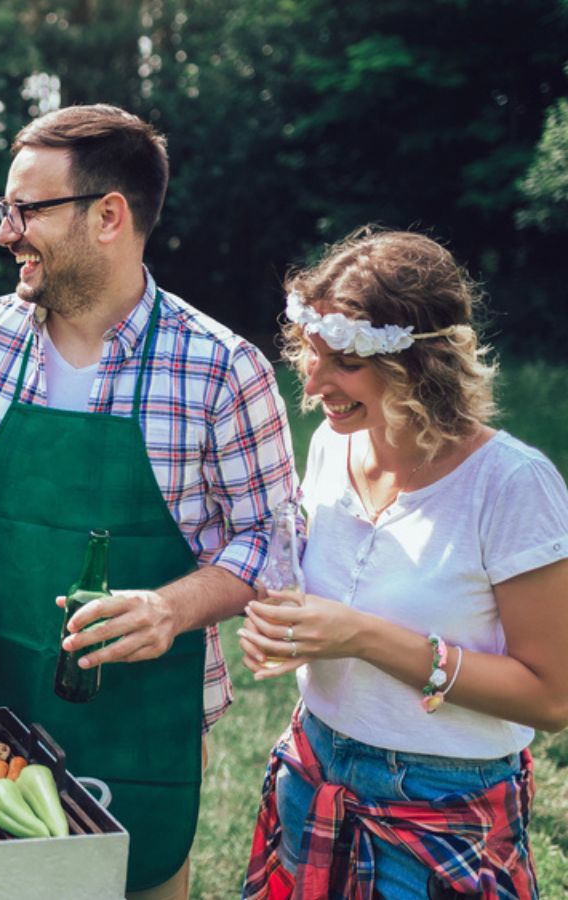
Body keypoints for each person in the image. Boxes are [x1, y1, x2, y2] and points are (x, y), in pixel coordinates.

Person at [0, 104, 295, 898]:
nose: (5, 232)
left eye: (26, 211)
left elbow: (273, 540)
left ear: (109, 215)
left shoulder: (222, 369)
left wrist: (170, 608)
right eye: (4, 209)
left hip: (145, 717)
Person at [239, 229, 568, 899]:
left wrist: (359, 636)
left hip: (442, 803)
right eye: (310, 350)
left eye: (345, 363)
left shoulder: (510, 486)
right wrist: (292, 635)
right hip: (314, 767)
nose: (311, 377)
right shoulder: (335, 446)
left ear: (423, 365)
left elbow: (552, 696)